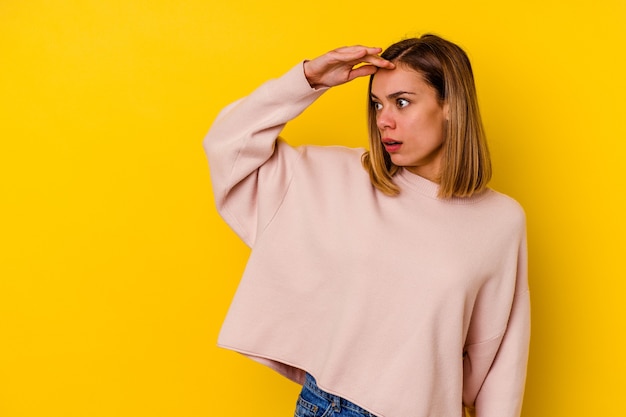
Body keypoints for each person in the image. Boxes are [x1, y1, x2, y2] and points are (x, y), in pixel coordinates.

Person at [204, 34, 530, 417]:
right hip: (330, 407)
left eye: (402, 102)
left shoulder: (501, 220)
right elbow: (227, 145)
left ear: (450, 107)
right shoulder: (338, 177)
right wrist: (309, 79)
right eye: (377, 104)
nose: (383, 120)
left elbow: (501, 366)